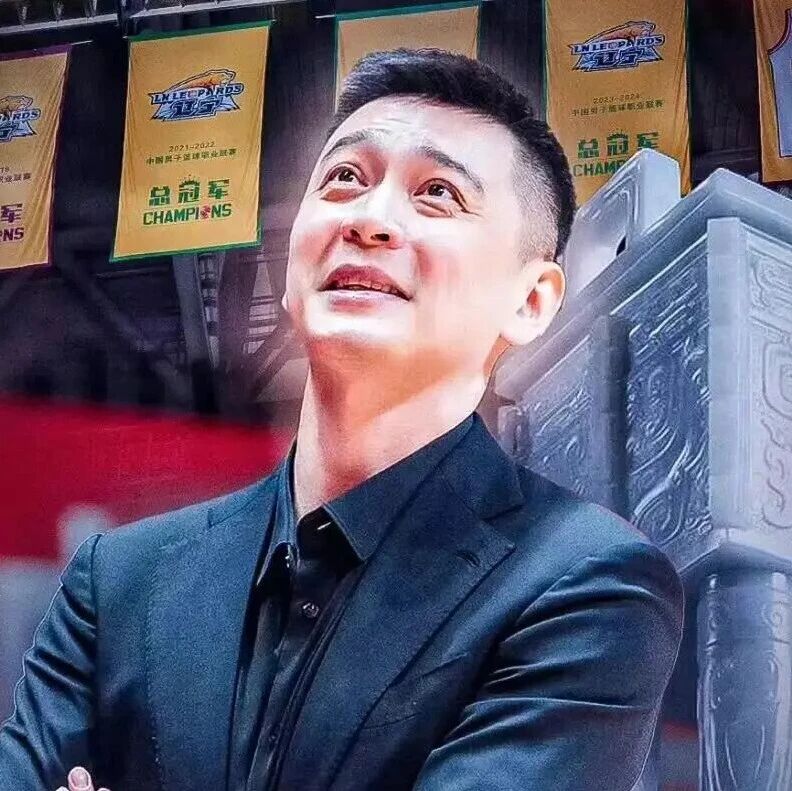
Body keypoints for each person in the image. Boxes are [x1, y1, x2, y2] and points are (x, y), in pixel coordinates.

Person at [0, 48, 684, 791]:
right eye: (345, 178)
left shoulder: (586, 586)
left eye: (438, 193)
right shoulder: (117, 582)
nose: (370, 218)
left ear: (530, 301)